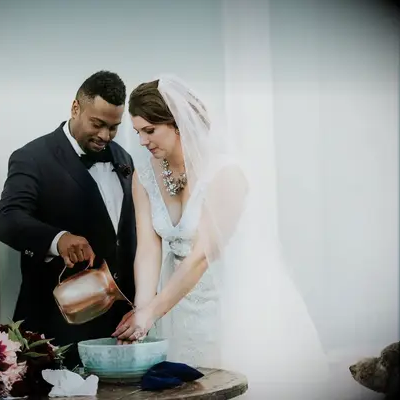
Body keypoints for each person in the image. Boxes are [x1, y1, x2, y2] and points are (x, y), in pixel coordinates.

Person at [112, 75, 330, 398]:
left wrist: (152, 310)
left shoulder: (226, 174)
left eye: (149, 130)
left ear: (176, 124)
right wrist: (144, 311)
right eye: (137, 132)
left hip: (227, 298)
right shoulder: (144, 175)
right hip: (173, 301)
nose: (142, 141)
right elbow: (147, 248)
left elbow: (202, 255)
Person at [0, 70, 137, 369]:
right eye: (97, 124)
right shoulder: (32, 157)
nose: (105, 136)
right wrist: (57, 240)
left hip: (119, 327)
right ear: (75, 108)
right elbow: (7, 218)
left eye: (114, 127)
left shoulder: (123, 157)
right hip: (58, 328)